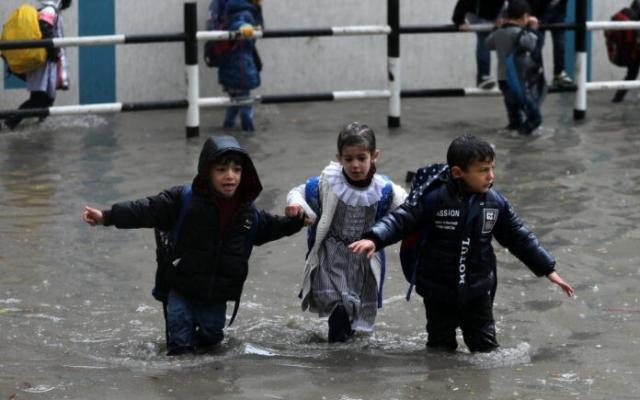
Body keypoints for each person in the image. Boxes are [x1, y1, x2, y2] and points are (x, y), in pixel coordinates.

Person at [349, 133, 574, 353]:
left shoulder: (495, 202)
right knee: (440, 351)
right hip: (438, 292)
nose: (491, 176)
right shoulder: (434, 198)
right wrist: (374, 238)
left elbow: (519, 237)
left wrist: (548, 269)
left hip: (478, 291)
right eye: (483, 170)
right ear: (458, 172)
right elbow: (401, 220)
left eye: (492, 168)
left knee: (486, 350)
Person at [82, 135, 305, 355]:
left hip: (216, 294)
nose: (230, 176)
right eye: (221, 170)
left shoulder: (248, 213)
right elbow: (145, 210)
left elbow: (271, 227)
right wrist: (107, 216)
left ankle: (204, 376)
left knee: (212, 338)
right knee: (180, 344)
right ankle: (179, 374)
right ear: (207, 172)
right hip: (181, 286)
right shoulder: (183, 200)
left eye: (236, 170)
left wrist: (296, 222)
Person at [285, 122, 407, 343]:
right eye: (348, 159)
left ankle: (344, 350)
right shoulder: (328, 183)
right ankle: (336, 353)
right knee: (340, 308)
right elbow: (298, 192)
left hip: (364, 259)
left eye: (361, 158)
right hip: (331, 257)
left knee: (355, 315)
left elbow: (408, 211)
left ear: (375, 156)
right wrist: (296, 206)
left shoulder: (385, 190)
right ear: (339, 158)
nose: (355, 165)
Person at [5, 0, 71, 130]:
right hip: (43, 65)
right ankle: (9, 123)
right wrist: (52, 53)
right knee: (38, 99)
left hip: (47, 64)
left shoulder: (52, 10)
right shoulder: (50, 10)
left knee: (47, 99)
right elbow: (45, 26)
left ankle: (39, 125)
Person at [485, 0, 544, 134]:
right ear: (524, 16)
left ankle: (513, 132)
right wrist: (533, 29)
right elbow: (531, 45)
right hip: (520, 79)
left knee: (513, 115)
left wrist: (496, 28)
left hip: (503, 78)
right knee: (535, 118)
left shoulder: (499, 33)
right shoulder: (519, 33)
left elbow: (488, 44)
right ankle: (522, 135)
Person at [218, 0, 263, 131]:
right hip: (242, 67)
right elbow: (239, 23)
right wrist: (244, 27)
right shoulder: (244, 12)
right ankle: (248, 131)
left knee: (235, 101)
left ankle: (228, 125)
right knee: (246, 102)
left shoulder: (232, 10)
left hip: (231, 66)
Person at [452, 0, 508, 89]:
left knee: (509, 35)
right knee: (484, 37)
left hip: (498, 10)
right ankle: (483, 77)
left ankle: (509, 76)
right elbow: (463, 3)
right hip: (477, 12)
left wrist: (506, 17)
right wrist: (459, 21)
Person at [528, 0, 574, 87]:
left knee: (560, 43)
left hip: (557, 9)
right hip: (538, 10)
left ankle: (559, 73)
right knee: (537, 43)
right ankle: (537, 75)